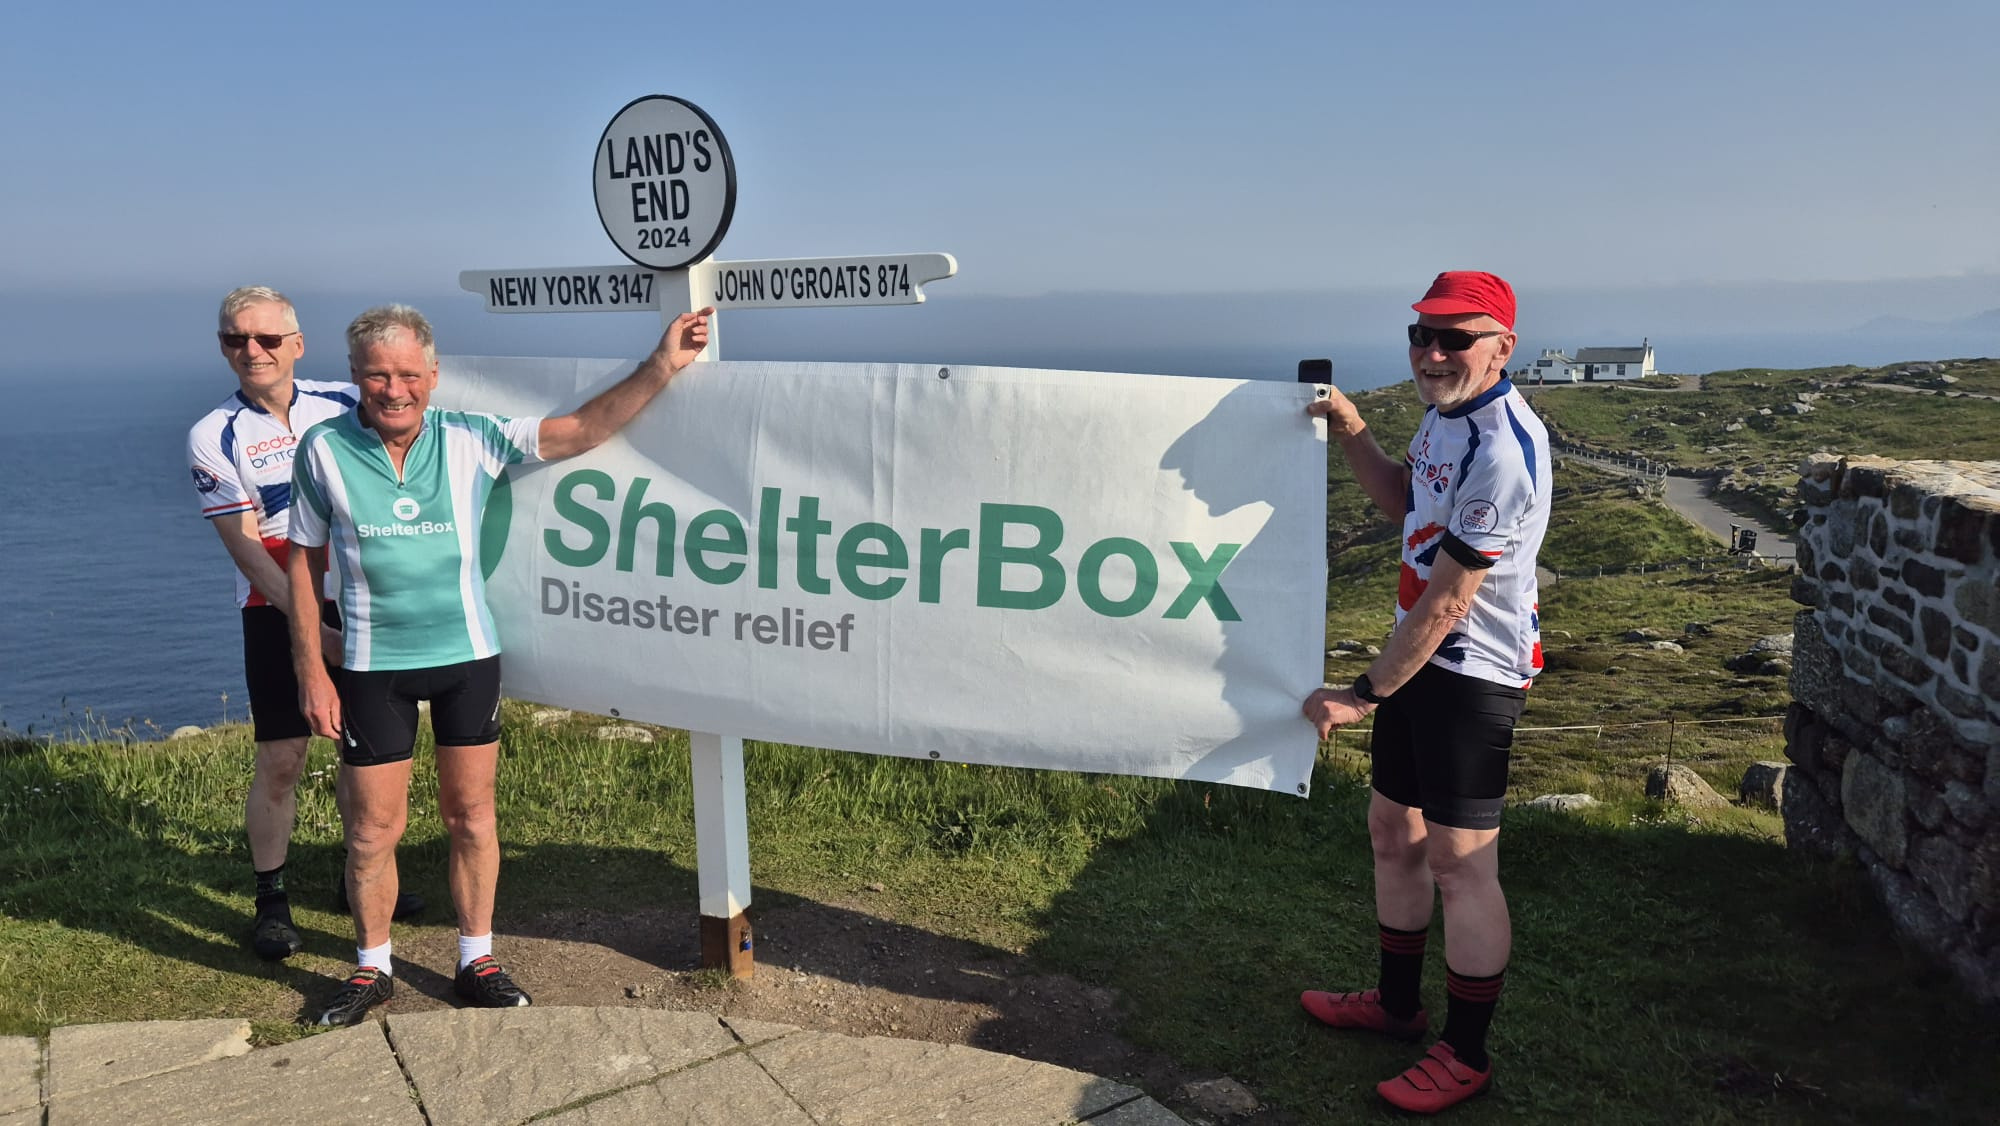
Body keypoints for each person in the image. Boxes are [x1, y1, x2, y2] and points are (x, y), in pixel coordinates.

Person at [287, 302, 713, 1026]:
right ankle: (372, 967)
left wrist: (661, 364)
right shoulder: (322, 448)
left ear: (434, 374)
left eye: (409, 375)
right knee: (369, 832)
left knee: (472, 818)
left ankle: (475, 958)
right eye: (378, 376)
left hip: (466, 659)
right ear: (356, 376)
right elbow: (302, 561)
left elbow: (581, 430)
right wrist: (310, 670)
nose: (395, 390)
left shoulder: (471, 437)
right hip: (369, 663)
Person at [1299, 271, 1549, 1114]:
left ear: (1502, 347)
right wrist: (1354, 428)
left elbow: (1449, 600)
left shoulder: (1502, 449)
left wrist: (1362, 693)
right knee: (1391, 831)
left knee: (1461, 863)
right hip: (1422, 664)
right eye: (1421, 335)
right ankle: (1398, 1009)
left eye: (1456, 339)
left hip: (1471, 676)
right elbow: (1407, 506)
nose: (1432, 353)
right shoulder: (1447, 418)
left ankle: (1466, 1054)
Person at [186, 286, 421, 962]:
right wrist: (314, 633)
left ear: (296, 344)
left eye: (265, 339)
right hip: (275, 607)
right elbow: (248, 551)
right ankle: (272, 898)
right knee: (284, 757)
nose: (251, 351)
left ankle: (361, 880)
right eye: (236, 339)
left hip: (365, 592)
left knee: (366, 749)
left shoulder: (347, 401)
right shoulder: (215, 433)